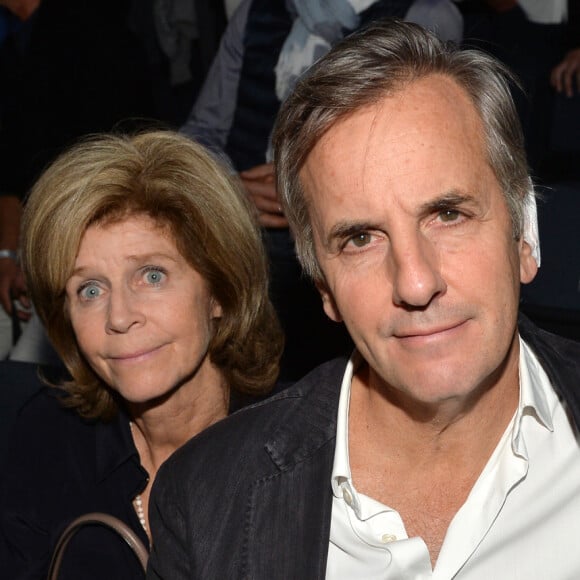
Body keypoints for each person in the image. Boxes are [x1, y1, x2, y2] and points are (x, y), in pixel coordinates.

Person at [147, 20, 580, 579]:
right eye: (360, 239)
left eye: (448, 214)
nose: (416, 283)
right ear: (324, 287)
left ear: (523, 234)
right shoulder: (207, 501)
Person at [0, 130, 283, 579]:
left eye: (151, 276)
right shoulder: (48, 441)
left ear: (220, 292)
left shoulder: (298, 450)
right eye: (90, 289)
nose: (119, 316)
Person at [181, 0, 463, 381]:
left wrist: (312, 189)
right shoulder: (257, 13)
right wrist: (228, 189)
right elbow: (201, 132)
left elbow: (423, 152)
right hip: (241, 230)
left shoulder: (425, 14)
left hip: (348, 234)